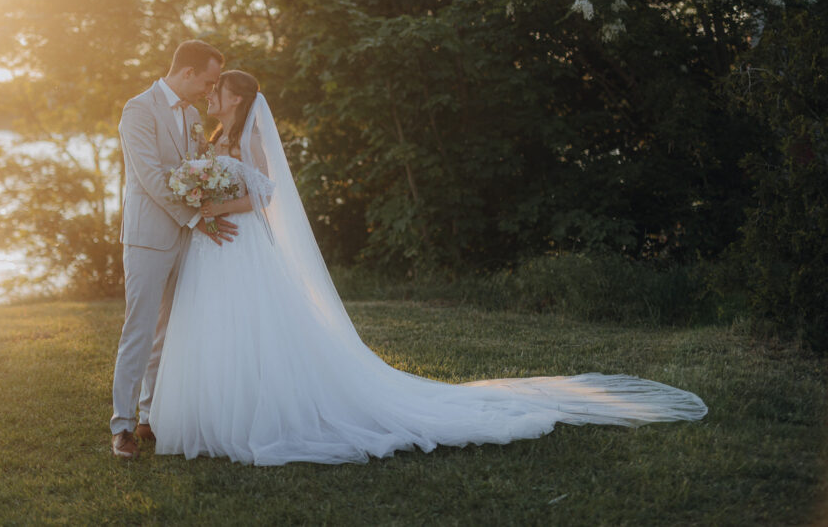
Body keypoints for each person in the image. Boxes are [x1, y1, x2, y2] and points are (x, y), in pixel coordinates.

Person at [147, 70, 708, 466]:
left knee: (258, 329)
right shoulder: (213, 136)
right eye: (211, 86)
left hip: (239, 244)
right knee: (221, 331)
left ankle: (260, 413)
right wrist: (201, 199)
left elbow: (266, 195)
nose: (212, 93)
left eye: (219, 89)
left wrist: (210, 206)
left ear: (239, 99)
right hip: (216, 248)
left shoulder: (248, 139)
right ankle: (219, 413)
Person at [110, 40, 238, 459]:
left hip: (187, 239)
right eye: (208, 80)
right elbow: (150, 176)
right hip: (149, 236)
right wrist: (197, 217)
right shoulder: (138, 110)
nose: (210, 88)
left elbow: (193, 169)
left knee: (169, 331)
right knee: (140, 329)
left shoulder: (194, 116)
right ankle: (122, 426)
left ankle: (149, 417)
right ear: (187, 73)